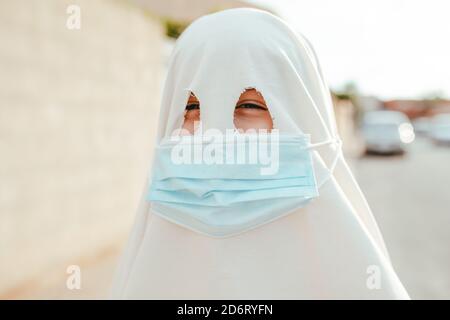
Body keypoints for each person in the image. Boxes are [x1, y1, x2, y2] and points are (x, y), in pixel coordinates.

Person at [110, 8, 409, 299]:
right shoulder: (156, 238)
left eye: (250, 106)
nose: (215, 127)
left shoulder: (354, 265)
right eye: (191, 107)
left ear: (300, 110)